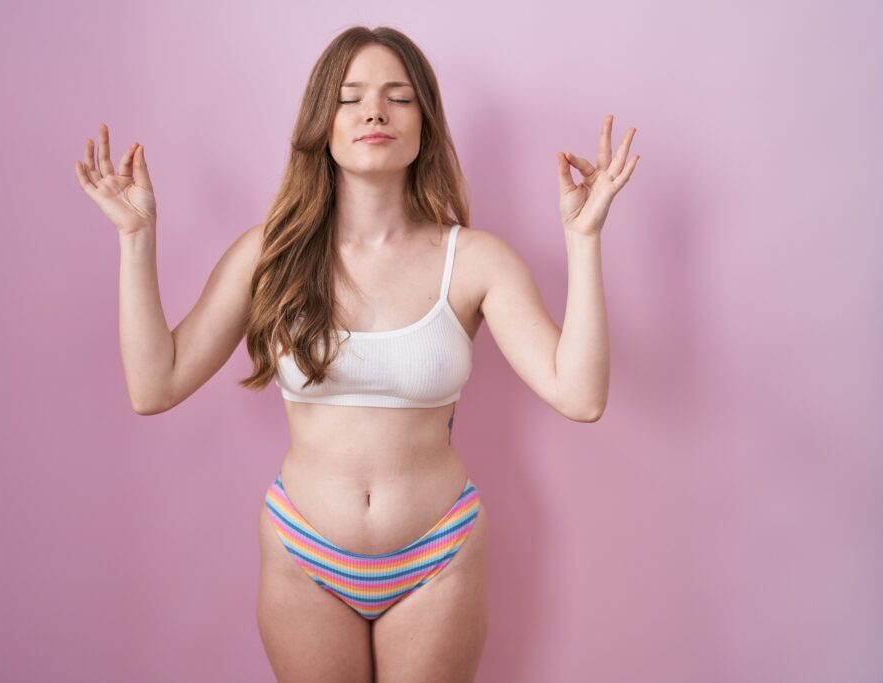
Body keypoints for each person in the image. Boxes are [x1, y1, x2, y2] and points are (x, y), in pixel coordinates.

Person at [73, 24, 638, 683]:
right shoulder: (268, 255)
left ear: (425, 123)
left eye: (398, 97)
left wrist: (584, 240)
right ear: (323, 122)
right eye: (351, 98)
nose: (375, 112)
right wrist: (136, 239)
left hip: (438, 553)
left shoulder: (475, 259)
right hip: (303, 552)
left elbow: (581, 395)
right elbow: (155, 385)